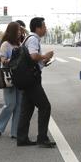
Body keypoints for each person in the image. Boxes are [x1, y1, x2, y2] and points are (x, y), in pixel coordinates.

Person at [16, 17, 56, 148]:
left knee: (26, 109)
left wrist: (42, 62)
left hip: (28, 78)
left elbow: (32, 60)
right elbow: (33, 56)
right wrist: (45, 56)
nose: (45, 28)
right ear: (38, 28)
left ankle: (22, 138)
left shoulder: (29, 38)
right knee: (45, 106)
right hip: (31, 80)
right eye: (44, 26)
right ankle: (42, 138)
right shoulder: (33, 39)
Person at [0, 22, 23, 138]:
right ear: (12, 32)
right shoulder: (5, 44)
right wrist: (14, 59)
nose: (19, 32)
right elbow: (3, 60)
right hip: (9, 77)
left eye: (20, 31)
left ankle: (15, 132)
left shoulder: (19, 44)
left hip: (19, 77)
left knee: (19, 105)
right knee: (10, 104)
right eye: (18, 30)